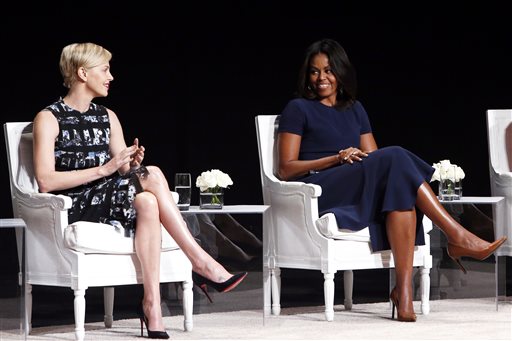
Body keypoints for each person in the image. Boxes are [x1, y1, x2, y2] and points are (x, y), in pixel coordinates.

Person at [276, 38, 507, 322]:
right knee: (396, 157)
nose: (322, 77)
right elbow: (285, 169)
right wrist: (337, 158)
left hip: (357, 183)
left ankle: (404, 294)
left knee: (400, 192)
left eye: (329, 70)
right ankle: (456, 234)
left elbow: (374, 157)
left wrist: (357, 159)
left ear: (341, 73)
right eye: (315, 71)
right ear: (307, 76)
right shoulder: (297, 109)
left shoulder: (355, 109)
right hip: (323, 186)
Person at [32, 42, 247, 339]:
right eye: (105, 69)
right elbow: (46, 181)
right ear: (82, 73)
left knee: (147, 198)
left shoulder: (108, 116)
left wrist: (132, 164)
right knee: (155, 176)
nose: (111, 76)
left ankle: (152, 305)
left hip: (109, 196)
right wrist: (104, 170)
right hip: (73, 203)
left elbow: (124, 174)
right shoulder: (49, 117)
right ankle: (200, 261)